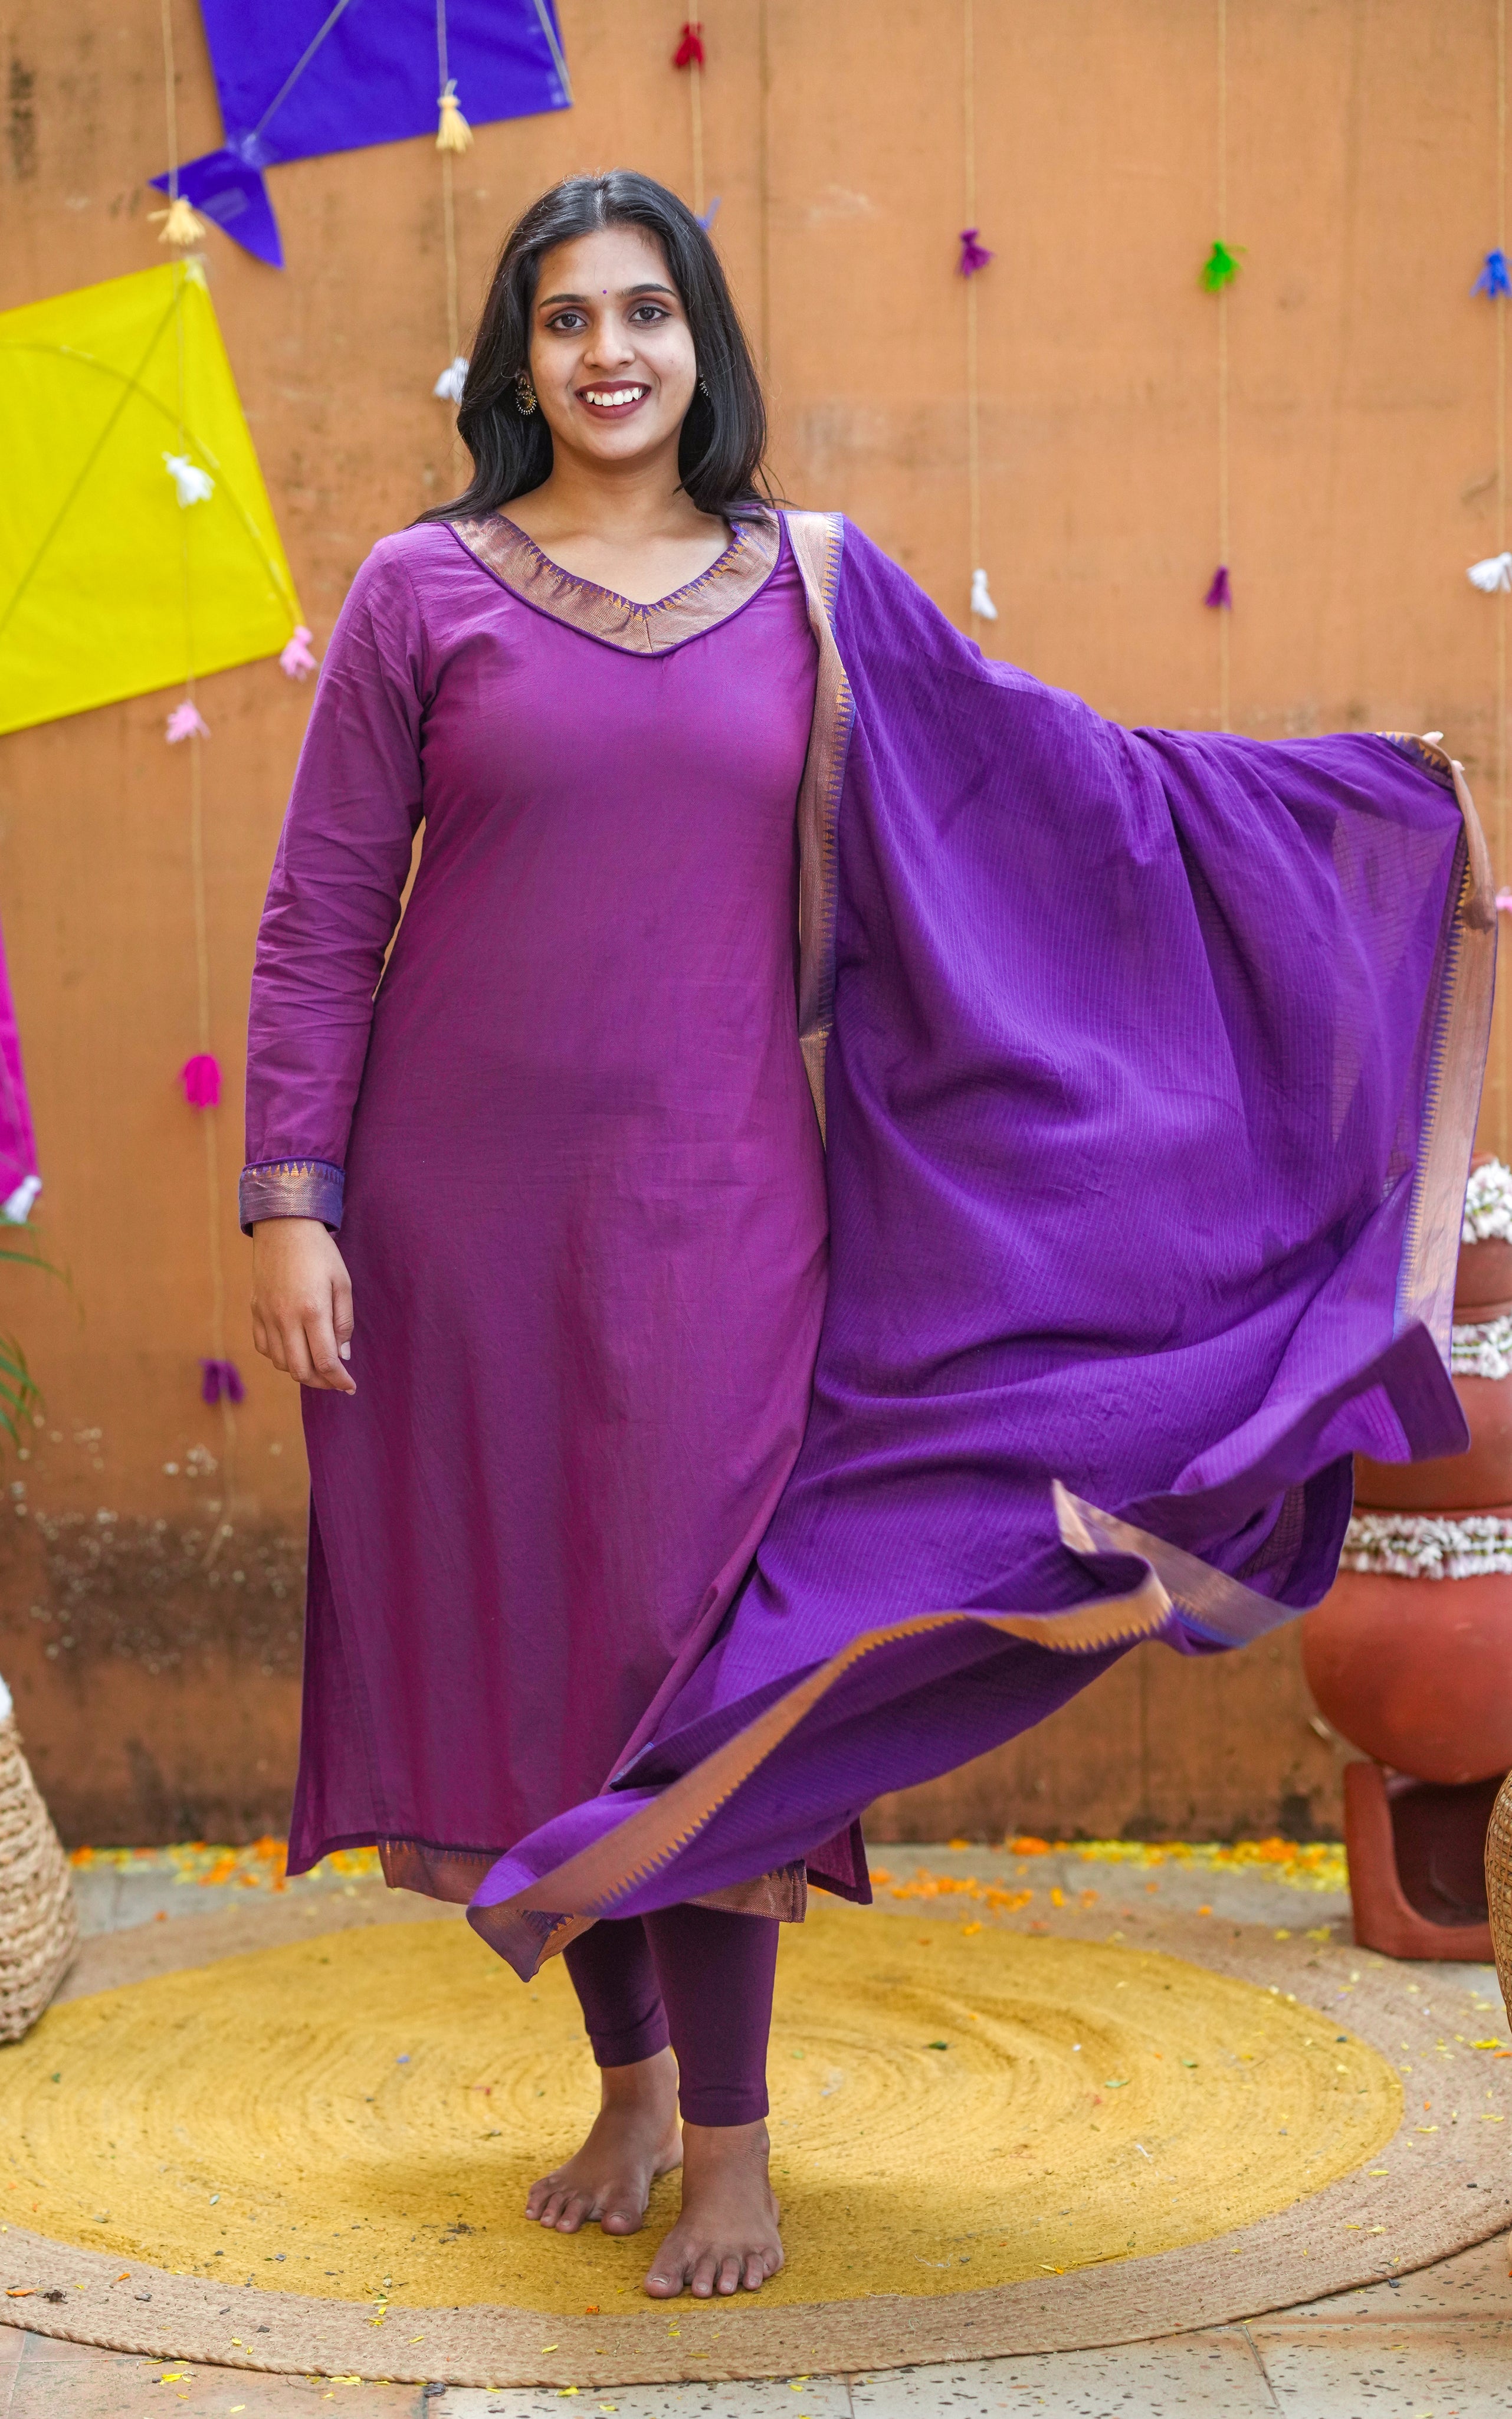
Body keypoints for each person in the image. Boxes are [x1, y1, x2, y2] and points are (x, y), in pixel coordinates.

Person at [244, 172, 1492, 2306]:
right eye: (563, 319)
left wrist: (1365, 808)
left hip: (718, 1217)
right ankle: (628, 2084)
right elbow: (321, 913)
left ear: (703, 343)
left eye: (646, 311)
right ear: (512, 355)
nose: (608, 353)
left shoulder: (808, 591)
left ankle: (731, 2141)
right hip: (455, 1226)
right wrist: (295, 1202)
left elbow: (1073, 794)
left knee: (705, 1653)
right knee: (555, 1662)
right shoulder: (415, 592)